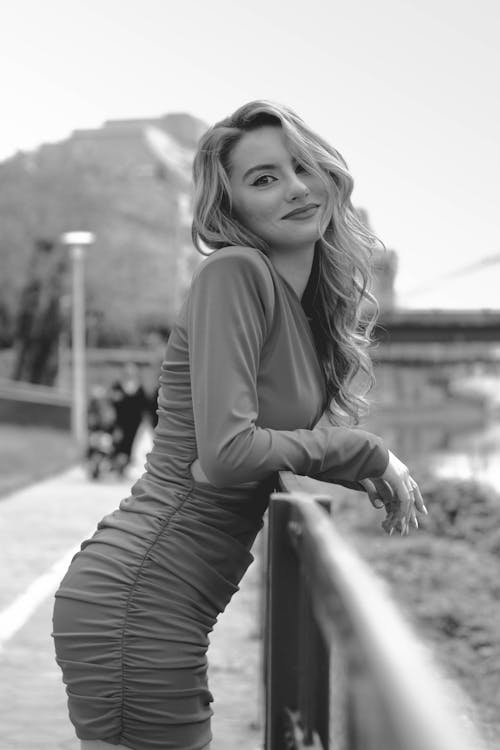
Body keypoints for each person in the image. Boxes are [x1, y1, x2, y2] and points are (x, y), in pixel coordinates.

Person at [52, 100, 427, 750]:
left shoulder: (294, 305)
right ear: (233, 210)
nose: (295, 188)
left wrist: (347, 460)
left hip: (161, 602)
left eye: (303, 167)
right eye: (264, 179)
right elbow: (226, 454)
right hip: (141, 596)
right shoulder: (235, 272)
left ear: (331, 176)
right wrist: (365, 454)